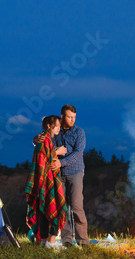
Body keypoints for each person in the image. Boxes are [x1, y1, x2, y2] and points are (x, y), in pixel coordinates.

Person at [34, 104, 89, 247]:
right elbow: (45, 143)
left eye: (74, 117)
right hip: (58, 175)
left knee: (77, 206)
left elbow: (78, 153)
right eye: (69, 117)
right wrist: (35, 140)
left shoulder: (79, 132)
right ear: (63, 116)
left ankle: (83, 241)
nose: (72, 120)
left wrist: (61, 162)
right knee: (62, 208)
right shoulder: (56, 130)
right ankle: (67, 241)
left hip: (75, 172)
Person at [25, 115, 68, 249]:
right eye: (57, 125)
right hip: (46, 179)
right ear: (49, 126)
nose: (59, 128)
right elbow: (42, 158)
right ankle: (48, 241)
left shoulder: (47, 138)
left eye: (60, 126)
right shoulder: (44, 139)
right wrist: (58, 152)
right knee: (49, 207)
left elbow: (46, 155)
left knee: (44, 209)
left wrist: (55, 153)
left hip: (46, 179)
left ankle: (45, 241)